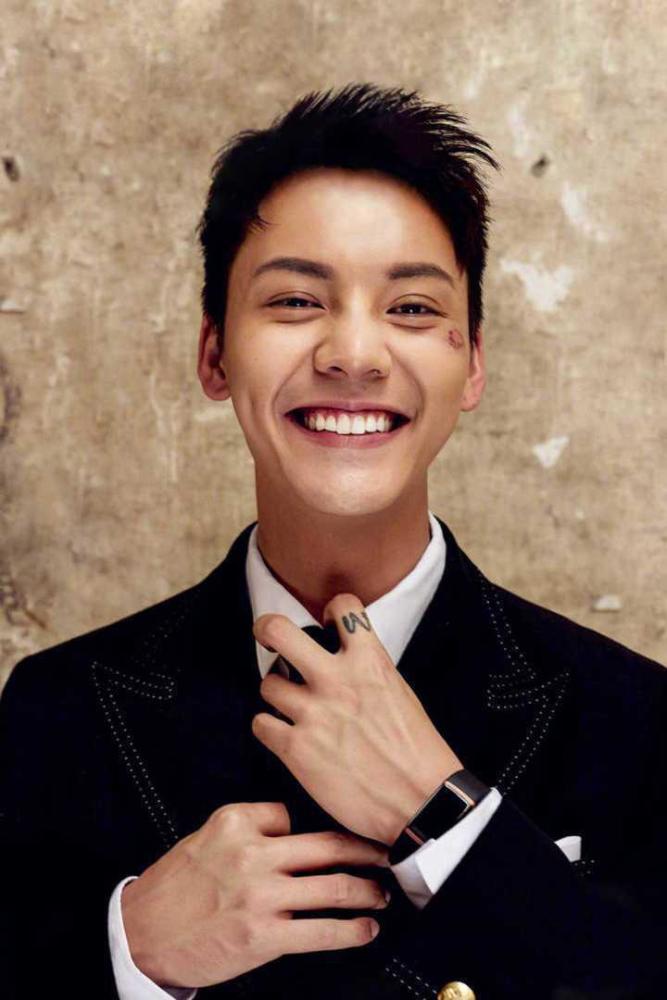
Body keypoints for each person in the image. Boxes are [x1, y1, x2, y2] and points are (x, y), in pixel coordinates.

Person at [1, 83, 665, 1000]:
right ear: (214, 354)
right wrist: (134, 950)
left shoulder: (633, 719)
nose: (353, 354)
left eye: (411, 309)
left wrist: (448, 816)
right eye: (294, 300)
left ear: (472, 363)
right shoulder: (57, 709)